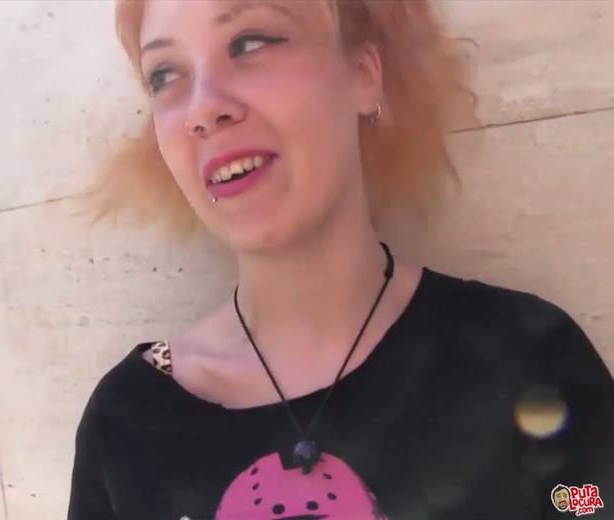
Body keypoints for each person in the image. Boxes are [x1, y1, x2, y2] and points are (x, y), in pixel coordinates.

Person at [68, 1, 614, 519]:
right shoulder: (125, 427)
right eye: (164, 75)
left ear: (362, 73)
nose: (202, 108)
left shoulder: (527, 360)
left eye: (249, 42)